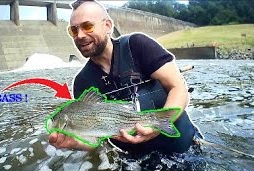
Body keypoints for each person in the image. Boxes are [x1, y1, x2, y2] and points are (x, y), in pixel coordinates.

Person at [48, 0, 199, 157]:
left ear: (107, 26)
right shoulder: (81, 82)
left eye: (87, 26)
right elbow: (97, 140)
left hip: (185, 150)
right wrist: (77, 143)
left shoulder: (137, 45)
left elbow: (178, 87)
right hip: (136, 163)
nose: (79, 35)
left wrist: (155, 127)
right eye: (73, 30)